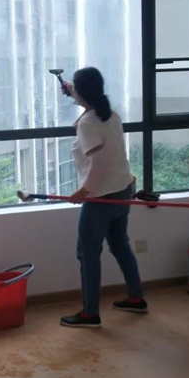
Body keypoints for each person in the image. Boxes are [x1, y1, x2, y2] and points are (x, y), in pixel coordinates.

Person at [59, 67, 147, 328]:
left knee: (87, 254)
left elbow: (97, 163)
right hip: (122, 190)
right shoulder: (110, 114)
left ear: (82, 92)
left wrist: (84, 191)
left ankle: (89, 313)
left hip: (101, 198)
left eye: (75, 88)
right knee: (120, 245)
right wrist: (74, 92)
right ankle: (136, 298)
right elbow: (90, 111)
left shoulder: (88, 123)